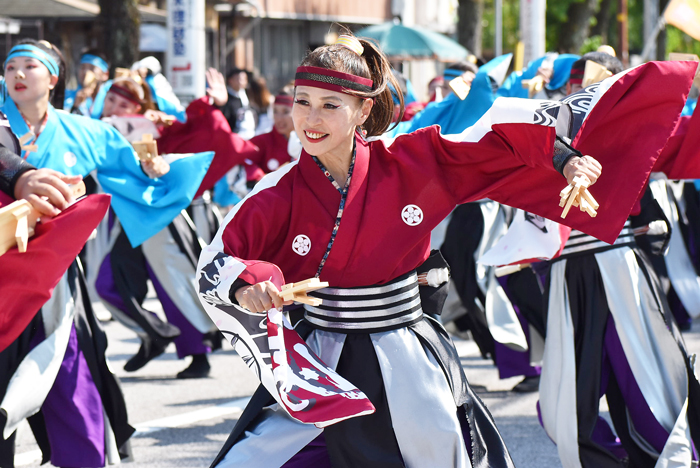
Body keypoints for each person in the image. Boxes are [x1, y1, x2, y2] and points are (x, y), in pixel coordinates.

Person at [196, 33, 609, 467]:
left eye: (330, 105)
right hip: (321, 359)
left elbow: (493, 146)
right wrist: (249, 286)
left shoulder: (409, 159)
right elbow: (222, 259)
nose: (310, 118)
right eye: (303, 101)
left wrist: (564, 159)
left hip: (406, 355)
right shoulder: (279, 192)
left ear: (364, 109)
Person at [538, 52, 700, 467]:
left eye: (601, 81)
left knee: (653, 380)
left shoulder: (636, 128)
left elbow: (685, 147)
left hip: (622, 265)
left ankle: (668, 456)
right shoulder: (544, 128)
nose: (587, 90)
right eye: (580, 83)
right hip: (569, 271)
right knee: (569, 398)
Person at [95, 72, 220, 379]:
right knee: (107, 283)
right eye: (111, 99)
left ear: (138, 108)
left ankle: (198, 352)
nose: (114, 107)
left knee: (175, 283)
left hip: (160, 217)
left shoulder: (152, 127)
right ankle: (154, 332)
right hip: (124, 218)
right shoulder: (96, 129)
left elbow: (196, 133)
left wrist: (211, 103)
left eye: (123, 104)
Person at [243, 85, 296, 185]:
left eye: (285, 112)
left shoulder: (309, 144)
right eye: (275, 111)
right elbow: (244, 160)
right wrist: (262, 178)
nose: (278, 118)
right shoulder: (261, 141)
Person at [64, 49, 110, 115]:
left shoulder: (110, 99)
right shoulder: (67, 97)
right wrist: (75, 106)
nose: (86, 72)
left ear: (105, 75)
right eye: (82, 67)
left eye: (92, 68)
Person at [219, 68, 256, 139]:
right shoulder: (225, 98)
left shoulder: (248, 94)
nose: (242, 82)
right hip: (234, 138)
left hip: (249, 136)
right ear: (230, 80)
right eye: (239, 79)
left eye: (244, 79)